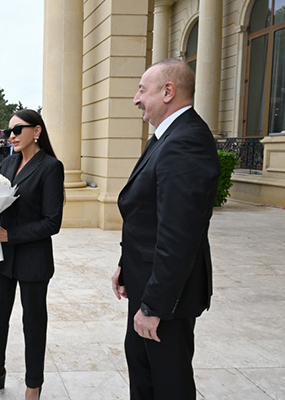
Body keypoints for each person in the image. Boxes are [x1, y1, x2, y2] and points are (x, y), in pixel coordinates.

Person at [111, 58, 220, 400]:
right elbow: (148, 215)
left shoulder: (186, 141)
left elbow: (179, 236)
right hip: (147, 283)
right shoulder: (167, 136)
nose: (136, 98)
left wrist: (154, 307)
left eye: (143, 89)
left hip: (166, 298)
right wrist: (125, 263)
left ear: (168, 91)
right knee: (145, 375)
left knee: (168, 383)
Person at [0, 109, 64, 400]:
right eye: (8, 131)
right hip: (2, 256)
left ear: (36, 131)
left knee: (33, 324)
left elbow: (53, 222)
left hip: (33, 258)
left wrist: (11, 235)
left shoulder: (51, 167)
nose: (10, 136)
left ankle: (33, 385)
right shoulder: (8, 162)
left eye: (17, 130)